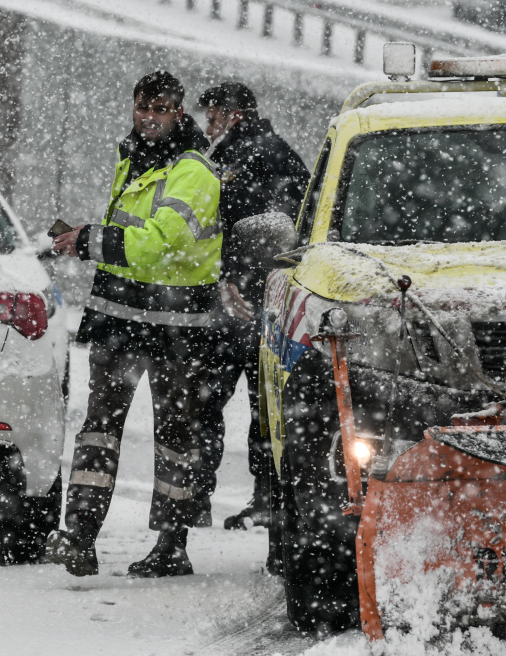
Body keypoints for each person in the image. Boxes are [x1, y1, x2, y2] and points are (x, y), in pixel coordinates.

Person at [45, 70, 221, 578]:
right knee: (99, 429)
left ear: (178, 112)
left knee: (174, 436)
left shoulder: (194, 172)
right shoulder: (133, 157)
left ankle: (172, 544)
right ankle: (80, 533)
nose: (149, 117)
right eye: (143, 106)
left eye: (160, 108)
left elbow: (159, 243)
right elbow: (134, 238)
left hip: (175, 326)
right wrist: (90, 240)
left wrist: (89, 240)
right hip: (120, 319)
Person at [195, 81, 309, 530]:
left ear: (234, 115)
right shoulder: (229, 156)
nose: (208, 124)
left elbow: (274, 229)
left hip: (255, 305)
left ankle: (254, 500)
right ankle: (247, 500)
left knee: (252, 408)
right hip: (240, 303)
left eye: (214, 115)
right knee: (244, 407)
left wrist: (239, 278)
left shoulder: (261, 155)